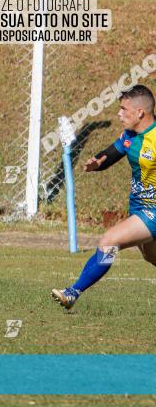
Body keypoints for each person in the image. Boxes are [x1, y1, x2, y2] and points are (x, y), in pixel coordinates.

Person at [52, 85, 156, 309]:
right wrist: (98, 162)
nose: (119, 114)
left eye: (123, 109)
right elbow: (113, 152)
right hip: (138, 208)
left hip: (153, 212)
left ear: (140, 112)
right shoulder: (130, 136)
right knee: (152, 257)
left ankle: (73, 292)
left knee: (110, 242)